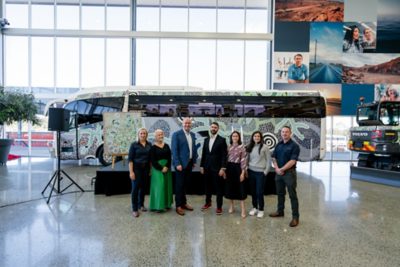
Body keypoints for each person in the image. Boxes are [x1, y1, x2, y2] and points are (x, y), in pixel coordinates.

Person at [269, 126, 301, 227]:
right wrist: (277, 169)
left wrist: (282, 169)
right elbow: (274, 157)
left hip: (289, 173)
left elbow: (293, 161)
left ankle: (295, 217)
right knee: (280, 193)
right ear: (281, 133)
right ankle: (280, 211)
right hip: (279, 173)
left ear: (290, 133)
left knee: (292, 196)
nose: (284, 133)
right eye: (283, 132)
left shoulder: (294, 146)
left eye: (286, 132)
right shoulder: (279, 144)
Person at [171, 117, 198, 216]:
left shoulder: (193, 134)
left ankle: (184, 203)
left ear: (191, 125)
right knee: (179, 185)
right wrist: (177, 163)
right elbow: (174, 150)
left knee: (185, 185)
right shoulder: (176, 135)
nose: (187, 125)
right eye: (185, 123)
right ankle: (178, 206)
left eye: (189, 123)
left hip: (189, 164)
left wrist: (194, 161)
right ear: (182, 124)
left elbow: (193, 149)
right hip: (180, 165)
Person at [200, 122, 228, 215]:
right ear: (210, 128)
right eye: (212, 127)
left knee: (218, 188)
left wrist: (223, 168)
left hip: (217, 168)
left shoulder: (222, 140)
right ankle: (208, 203)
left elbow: (224, 155)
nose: (213, 128)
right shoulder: (206, 140)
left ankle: (219, 207)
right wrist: (201, 166)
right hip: (207, 167)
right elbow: (204, 153)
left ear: (218, 129)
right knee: (207, 187)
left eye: (215, 127)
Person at [246, 131, 271, 218]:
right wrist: (246, 169)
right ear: (252, 137)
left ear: (261, 138)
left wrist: (266, 172)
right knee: (253, 192)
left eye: (258, 136)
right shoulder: (250, 146)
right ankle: (254, 208)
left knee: (259, 192)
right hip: (251, 172)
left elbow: (269, 160)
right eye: (255, 136)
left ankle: (261, 209)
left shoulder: (265, 147)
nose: (256, 137)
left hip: (260, 173)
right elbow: (247, 159)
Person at [128, 128, 151, 218]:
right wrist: (131, 172)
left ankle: (141, 205)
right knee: (135, 189)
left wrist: (150, 169)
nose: (143, 135)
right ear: (138, 134)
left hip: (145, 170)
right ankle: (134, 209)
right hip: (136, 170)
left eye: (144, 133)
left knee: (143, 188)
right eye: (141, 133)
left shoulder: (149, 145)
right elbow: (130, 160)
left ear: (146, 135)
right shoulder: (134, 145)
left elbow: (150, 159)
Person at [225, 131, 248, 218]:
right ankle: (231, 206)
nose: (235, 137)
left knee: (241, 188)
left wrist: (242, 173)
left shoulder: (242, 147)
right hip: (229, 169)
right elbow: (225, 160)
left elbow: (243, 160)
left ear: (239, 137)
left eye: (236, 136)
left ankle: (243, 209)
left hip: (238, 168)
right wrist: (224, 171)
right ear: (231, 137)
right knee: (230, 187)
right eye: (233, 136)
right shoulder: (228, 147)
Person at [149, 129, 173, 212]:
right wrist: (161, 168)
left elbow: (170, 158)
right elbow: (153, 160)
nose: (160, 136)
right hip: (157, 170)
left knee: (167, 186)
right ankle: (158, 206)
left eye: (161, 134)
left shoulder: (167, 146)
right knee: (159, 187)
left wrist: (166, 166)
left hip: (167, 169)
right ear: (155, 136)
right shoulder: (152, 148)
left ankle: (167, 204)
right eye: (158, 135)